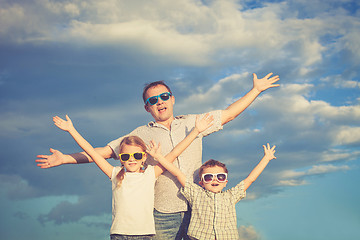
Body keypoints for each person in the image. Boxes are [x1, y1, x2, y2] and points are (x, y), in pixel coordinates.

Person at [36, 73, 280, 239]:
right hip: (163, 213)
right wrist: (65, 158)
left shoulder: (193, 122)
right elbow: (104, 152)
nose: (160, 102)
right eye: (153, 100)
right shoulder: (139, 135)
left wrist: (256, 90)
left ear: (172, 99)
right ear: (147, 108)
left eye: (164, 96)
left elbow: (228, 114)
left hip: (200, 209)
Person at [52, 113, 214, 240]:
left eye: (136, 155)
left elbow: (174, 152)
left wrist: (196, 131)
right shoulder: (115, 174)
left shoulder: (151, 174)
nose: (131, 159)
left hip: (146, 235)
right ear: (120, 159)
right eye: (125, 156)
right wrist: (71, 130)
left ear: (144, 157)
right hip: (119, 235)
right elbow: (93, 153)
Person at [148, 142, 276, 240]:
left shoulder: (231, 196)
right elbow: (177, 173)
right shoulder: (196, 193)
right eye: (208, 177)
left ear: (226, 181)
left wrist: (266, 159)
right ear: (201, 182)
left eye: (220, 177)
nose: (215, 180)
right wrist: (159, 157)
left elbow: (250, 179)